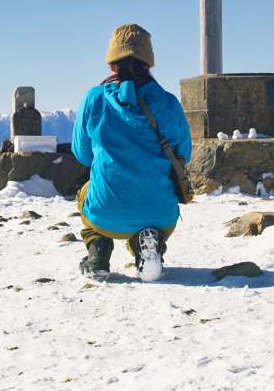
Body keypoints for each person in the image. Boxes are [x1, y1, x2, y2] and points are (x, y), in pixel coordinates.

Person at [71, 24, 192, 282]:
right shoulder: (170, 102)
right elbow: (184, 154)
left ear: (112, 65)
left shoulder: (93, 99)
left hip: (106, 213)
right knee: (149, 216)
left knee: (85, 195)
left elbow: (82, 155)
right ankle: (147, 247)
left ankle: (98, 256)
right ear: (149, 65)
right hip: (162, 215)